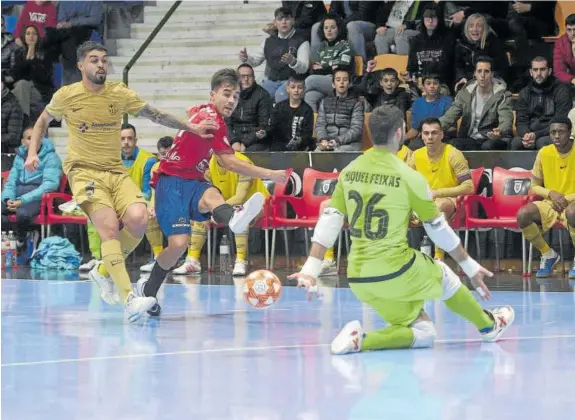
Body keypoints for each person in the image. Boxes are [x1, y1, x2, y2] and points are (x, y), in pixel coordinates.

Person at [289, 105, 514, 355]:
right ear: (400, 133)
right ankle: (488, 326)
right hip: (396, 269)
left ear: (368, 132)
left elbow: (330, 220)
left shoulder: (349, 171)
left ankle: (361, 340)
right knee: (443, 273)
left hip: (358, 277)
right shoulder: (409, 176)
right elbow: (437, 228)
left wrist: (310, 270)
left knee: (424, 334)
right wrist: (470, 267)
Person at [24, 41, 218, 323]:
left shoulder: (118, 93)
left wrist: (193, 127)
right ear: (81, 65)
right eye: (93, 60)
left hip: (115, 171)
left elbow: (156, 114)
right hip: (84, 171)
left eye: (104, 59)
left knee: (139, 220)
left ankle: (102, 271)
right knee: (110, 229)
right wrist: (32, 153)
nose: (101, 64)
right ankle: (129, 298)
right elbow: (42, 122)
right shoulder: (67, 95)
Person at [136, 69, 287, 316]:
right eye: (226, 94)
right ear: (213, 94)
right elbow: (229, 162)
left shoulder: (204, 112)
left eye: (236, 97)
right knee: (178, 245)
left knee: (212, 196)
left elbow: (190, 112)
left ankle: (234, 217)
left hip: (194, 181)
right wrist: (271, 174)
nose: (231, 101)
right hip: (171, 183)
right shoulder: (214, 122)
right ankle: (148, 290)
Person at [172, 150, 270, 276]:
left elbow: (240, 197)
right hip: (225, 205)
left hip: (258, 205)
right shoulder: (207, 165)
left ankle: (241, 261)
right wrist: (209, 211)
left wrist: (216, 211)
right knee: (199, 216)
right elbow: (206, 194)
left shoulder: (242, 163)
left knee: (241, 217)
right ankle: (192, 260)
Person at [408, 117, 474, 261]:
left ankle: (439, 257)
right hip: (424, 200)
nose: (430, 137)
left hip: (453, 202)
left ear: (442, 135)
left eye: (434, 133)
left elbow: (469, 187)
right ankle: (398, 258)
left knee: (439, 205)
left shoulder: (453, 154)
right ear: (421, 135)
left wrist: (439, 193)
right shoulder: (416, 155)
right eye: (426, 133)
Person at [517, 117, 575, 279]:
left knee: (572, 212)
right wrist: (552, 194)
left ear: (570, 133)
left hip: (572, 203)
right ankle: (547, 253)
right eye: (553, 132)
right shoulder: (544, 152)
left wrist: (565, 199)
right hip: (551, 201)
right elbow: (533, 186)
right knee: (523, 214)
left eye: (561, 132)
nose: (556, 136)